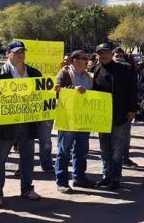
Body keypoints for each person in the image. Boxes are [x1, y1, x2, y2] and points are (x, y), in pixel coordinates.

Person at [0, 41, 43, 207]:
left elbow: (41, 95)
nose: (20, 55)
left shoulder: (34, 72)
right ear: (8, 54)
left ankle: (27, 189)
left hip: (27, 122)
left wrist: (52, 92)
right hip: (5, 124)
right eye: (16, 52)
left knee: (27, 158)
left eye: (22, 52)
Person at [93, 44, 138, 190]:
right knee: (104, 148)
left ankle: (116, 178)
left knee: (117, 149)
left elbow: (133, 89)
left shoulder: (124, 69)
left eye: (105, 53)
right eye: (100, 54)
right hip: (102, 116)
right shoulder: (96, 70)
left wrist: (132, 109)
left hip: (120, 115)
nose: (103, 56)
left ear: (111, 54)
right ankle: (106, 176)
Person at [52, 50, 96, 193]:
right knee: (64, 151)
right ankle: (62, 182)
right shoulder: (64, 73)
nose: (84, 61)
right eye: (81, 58)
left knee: (81, 150)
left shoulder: (90, 77)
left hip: (83, 119)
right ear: (74, 61)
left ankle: (79, 178)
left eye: (85, 58)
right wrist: (73, 89)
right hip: (68, 119)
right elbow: (56, 89)